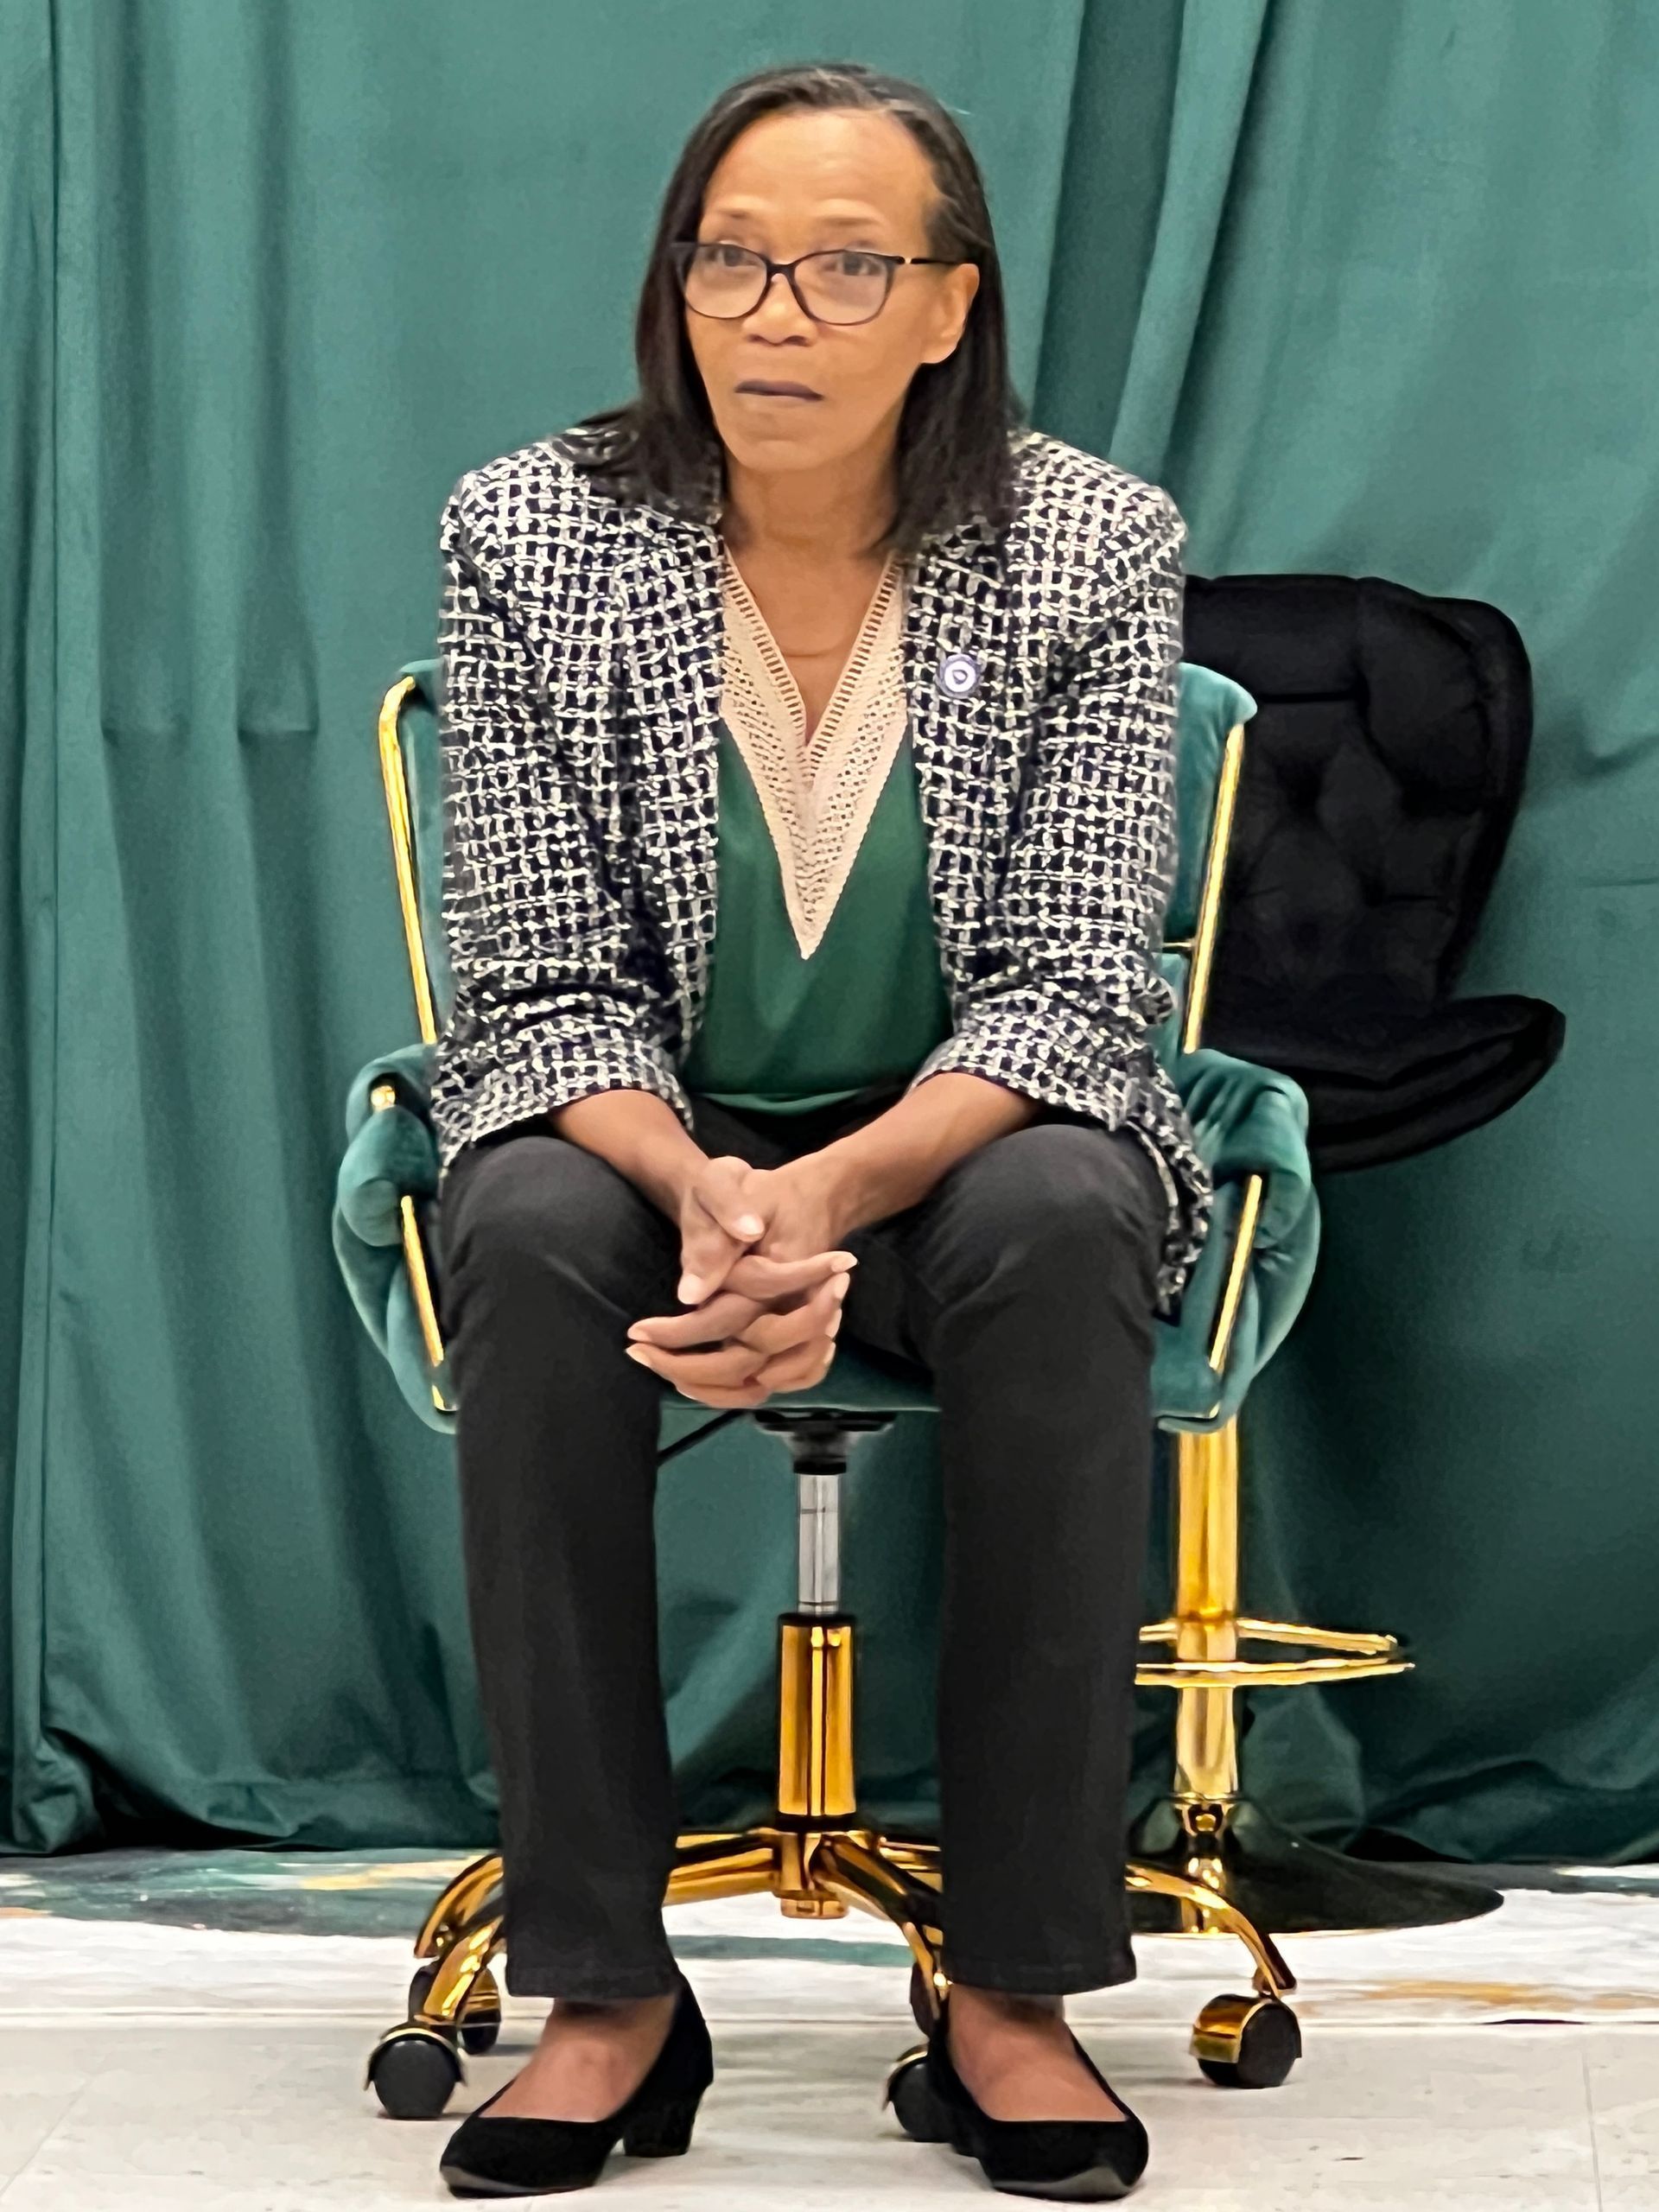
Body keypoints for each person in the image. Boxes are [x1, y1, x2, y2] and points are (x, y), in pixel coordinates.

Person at [429, 58, 1211, 2203]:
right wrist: (699, 1185)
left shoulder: (1093, 543)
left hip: (965, 1131)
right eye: (732, 257)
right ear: (677, 284)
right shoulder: (528, 532)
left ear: (950, 306)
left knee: (1068, 1207)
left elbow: (1069, 976)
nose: (775, 311)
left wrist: (836, 1193)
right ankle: (603, 1989)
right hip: (639, 1122)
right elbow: (541, 970)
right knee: (515, 1216)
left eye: (845, 265)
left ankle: (1014, 1992)